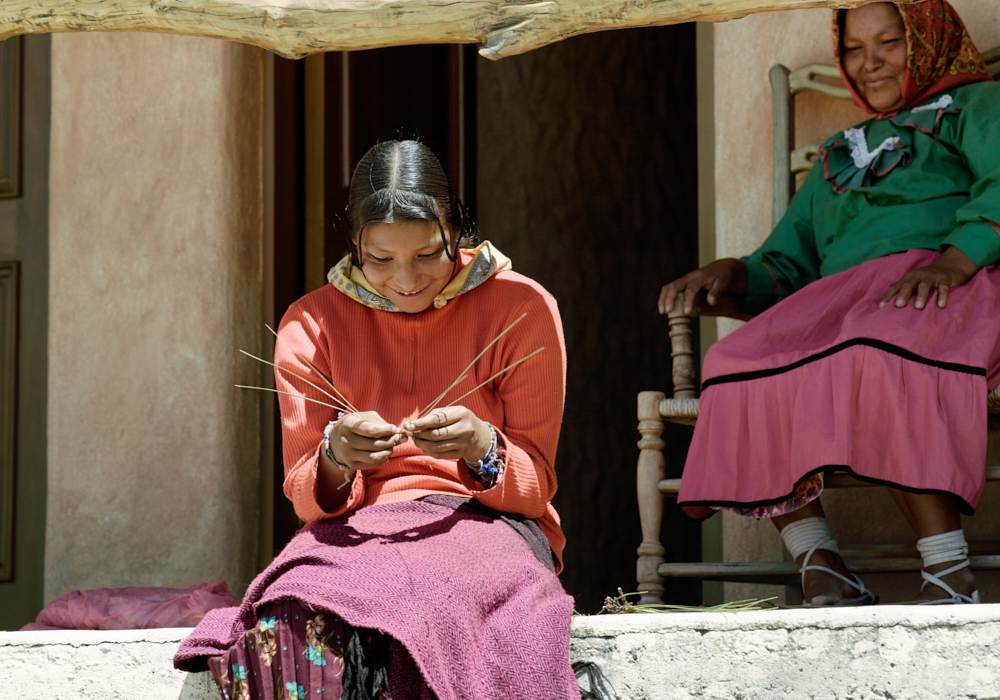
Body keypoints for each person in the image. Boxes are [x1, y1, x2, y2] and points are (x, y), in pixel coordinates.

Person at [175, 140, 580, 699]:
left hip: (485, 526)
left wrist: (482, 447)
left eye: (427, 255)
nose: (406, 279)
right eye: (381, 259)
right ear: (354, 246)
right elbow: (305, 496)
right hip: (351, 533)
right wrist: (336, 457)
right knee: (289, 624)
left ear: (458, 228)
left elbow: (534, 489)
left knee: (429, 603)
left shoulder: (522, 308)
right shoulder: (310, 322)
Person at [660, 0, 1000, 606]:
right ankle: (820, 560)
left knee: (880, 345)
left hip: (951, 283)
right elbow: (790, 263)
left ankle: (950, 573)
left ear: (927, 40)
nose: (868, 64)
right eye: (853, 48)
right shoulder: (841, 152)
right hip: (845, 304)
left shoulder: (978, 106)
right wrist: (731, 275)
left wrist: (955, 259)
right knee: (734, 363)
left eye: (889, 43)